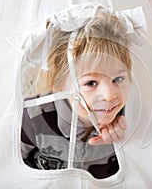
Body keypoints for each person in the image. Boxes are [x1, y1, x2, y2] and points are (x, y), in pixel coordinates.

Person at [21, 11, 132, 179]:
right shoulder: (33, 116)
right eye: (91, 83)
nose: (109, 96)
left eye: (118, 79)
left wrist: (126, 141)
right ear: (59, 85)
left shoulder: (129, 120)